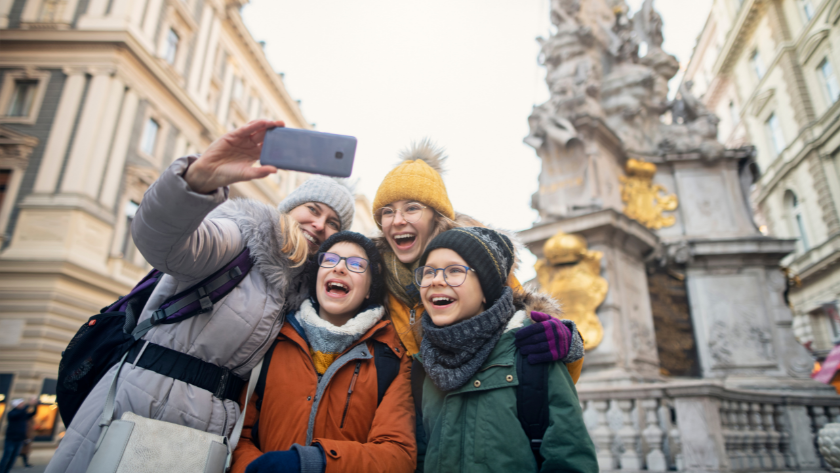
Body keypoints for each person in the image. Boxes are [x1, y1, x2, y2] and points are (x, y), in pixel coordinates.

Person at [46, 120, 355, 473]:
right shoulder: (241, 234)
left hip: (213, 429)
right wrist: (195, 183)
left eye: (333, 223)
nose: (319, 225)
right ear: (289, 208)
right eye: (313, 210)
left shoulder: (303, 291)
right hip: (142, 404)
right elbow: (163, 241)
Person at [372, 140, 584, 373]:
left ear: (437, 216)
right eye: (387, 212)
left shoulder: (480, 261)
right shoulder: (375, 277)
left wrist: (567, 345)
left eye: (412, 208)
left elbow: (531, 319)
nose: (398, 220)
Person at [415, 228, 598, 472]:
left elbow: (570, 458)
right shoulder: (421, 366)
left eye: (455, 270)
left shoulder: (531, 352)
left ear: (486, 290)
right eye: (429, 272)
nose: (436, 280)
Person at [232, 231, 415, 473]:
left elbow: (398, 454)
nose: (339, 268)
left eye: (356, 264)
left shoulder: (390, 356)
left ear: (370, 288)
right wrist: (255, 468)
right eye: (330, 260)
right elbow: (238, 434)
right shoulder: (273, 338)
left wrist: (316, 463)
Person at [0, 398, 37, 473]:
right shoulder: (12, 413)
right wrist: (29, 404)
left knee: (13, 458)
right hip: (11, 439)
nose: (22, 405)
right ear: (16, 405)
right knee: (7, 457)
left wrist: (35, 405)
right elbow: (19, 413)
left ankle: (6, 471)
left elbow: (33, 414)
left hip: (20, 439)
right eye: (21, 404)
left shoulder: (23, 414)